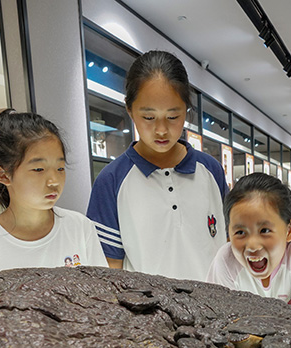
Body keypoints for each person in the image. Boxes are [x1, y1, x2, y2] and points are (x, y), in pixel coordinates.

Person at [86, 50, 228, 280]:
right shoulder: (111, 181)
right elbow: (109, 271)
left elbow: (231, 247)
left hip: (215, 310)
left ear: (186, 111)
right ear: (130, 110)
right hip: (148, 314)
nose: (161, 130)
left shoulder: (211, 171)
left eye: (173, 117)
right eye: (149, 117)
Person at [0, 110, 107, 275]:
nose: (54, 180)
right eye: (39, 169)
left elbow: (104, 293)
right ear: (2, 175)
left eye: (60, 168)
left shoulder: (80, 227)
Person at [207, 173, 291, 311]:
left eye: (265, 230)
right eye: (240, 232)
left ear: (290, 230)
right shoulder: (226, 260)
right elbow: (220, 317)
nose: (252, 246)